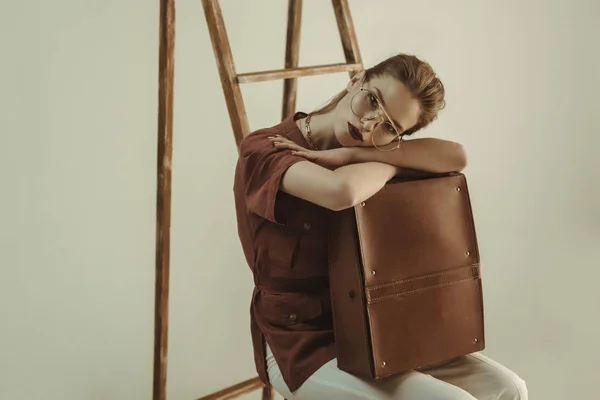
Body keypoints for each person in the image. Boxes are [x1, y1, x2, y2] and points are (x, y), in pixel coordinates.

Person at [232, 53, 528, 400]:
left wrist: (358, 155)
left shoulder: (369, 151)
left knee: (509, 390)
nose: (370, 125)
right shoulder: (265, 148)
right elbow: (340, 191)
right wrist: (391, 162)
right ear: (356, 80)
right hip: (299, 341)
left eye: (390, 127)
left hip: (376, 328)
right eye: (372, 100)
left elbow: (457, 155)